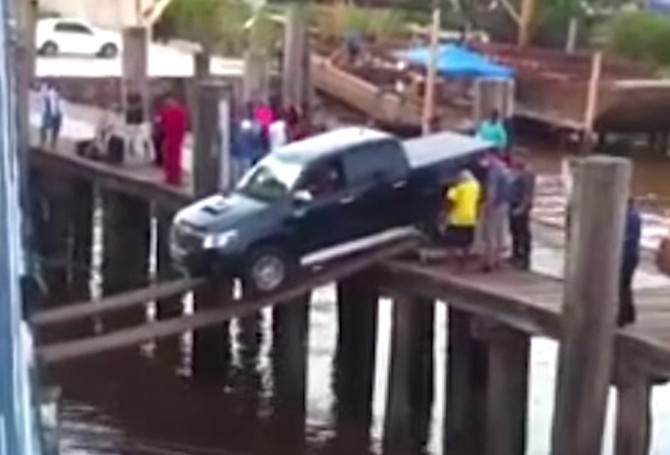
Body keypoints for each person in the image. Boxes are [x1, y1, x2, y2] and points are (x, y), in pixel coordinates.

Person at [480, 153, 512, 272]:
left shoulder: (494, 171)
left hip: (494, 205)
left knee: (490, 233)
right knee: (500, 233)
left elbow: (491, 190)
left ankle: (489, 262)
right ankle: (499, 260)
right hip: (504, 204)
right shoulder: (506, 169)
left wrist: (488, 205)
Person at [444, 169, 481, 271]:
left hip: (457, 218)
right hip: (470, 218)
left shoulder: (457, 188)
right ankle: (463, 265)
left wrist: (445, 215)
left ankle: (454, 265)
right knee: (466, 243)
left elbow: (450, 202)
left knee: (452, 242)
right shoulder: (476, 186)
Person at [509, 155, 536, 270]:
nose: (513, 161)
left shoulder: (527, 173)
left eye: (516, 159)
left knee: (522, 231)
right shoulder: (516, 171)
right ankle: (515, 254)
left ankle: (525, 258)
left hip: (521, 205)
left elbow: (527, 193)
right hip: (514, 203)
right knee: (514, 231)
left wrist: (522, 207)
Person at [620, 198, 641, 327]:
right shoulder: (635, 216)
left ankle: (622, 317)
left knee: (622, 286)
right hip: (631, 255)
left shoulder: (631, 217)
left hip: (627, 256)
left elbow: (630, 237)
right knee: (625, 285)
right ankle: (629, 314)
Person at [158, 95, 188, 186]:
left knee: (169, 156)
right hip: (178, 136)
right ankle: (176, 176)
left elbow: (161, 122)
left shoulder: (166, 112)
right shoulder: (182, 112)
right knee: (177, 156)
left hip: (170, 136)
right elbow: (184, 124)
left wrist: (162, 130)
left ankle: (170, 176)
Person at [39, 82, 63, 149]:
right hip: (51, 112)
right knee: (47, 127)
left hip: (54, 113)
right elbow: (44, 98)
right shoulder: (50, 93)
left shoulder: (53, 93)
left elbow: (55, 103)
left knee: (51, 128)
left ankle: (48, 142)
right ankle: (47, 142)